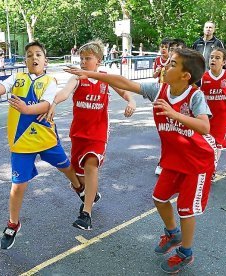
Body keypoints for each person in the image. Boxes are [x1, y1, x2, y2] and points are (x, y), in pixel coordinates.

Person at [65, 48, 217, 274]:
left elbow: (205, 126)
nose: (165, 66)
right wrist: (91, 74)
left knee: (185, 209)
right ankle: (173, 234)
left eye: (173, 64)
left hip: (198, 162)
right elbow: (123, 82)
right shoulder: (159, 89)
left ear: (186, 76)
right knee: (159, 198)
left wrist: (174, 114)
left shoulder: (194, 96)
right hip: (174, 159)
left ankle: (186, 252)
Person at [0, 40, 83, 250]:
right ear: (25, 61)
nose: (34, 57)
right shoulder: (16, 78)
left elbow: (46, 105)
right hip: (21, 143)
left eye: (38, 54)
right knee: (17, 187)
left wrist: (26, 109)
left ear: (45, 60)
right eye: (29, 55)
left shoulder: (50, 80)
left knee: (65, 166)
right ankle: (13, 223)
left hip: (45, 137)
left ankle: (78, 186)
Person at [42, 39, 136, 230]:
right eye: (81, 59)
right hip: (79, 133)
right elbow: (64, 93)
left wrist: (131, 101)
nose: (84, 62)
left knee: (91, 164)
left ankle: (86, 214)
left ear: (99, 60)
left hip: (98, 132)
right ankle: (89, 194)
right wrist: (54, 102)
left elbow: (124, 91)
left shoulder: (104, 78)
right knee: (80, 178)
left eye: (88, 58)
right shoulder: (77, 78)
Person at [153, 38, 187, 176]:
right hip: (164, 95)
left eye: (177, 49)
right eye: (171, 49)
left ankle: (182, 162)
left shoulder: (188, 69)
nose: (173, 51)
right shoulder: (164, 65)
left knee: (182, 134)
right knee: (168, 134)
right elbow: (129, 85)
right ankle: (164, 162)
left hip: (182, 102)